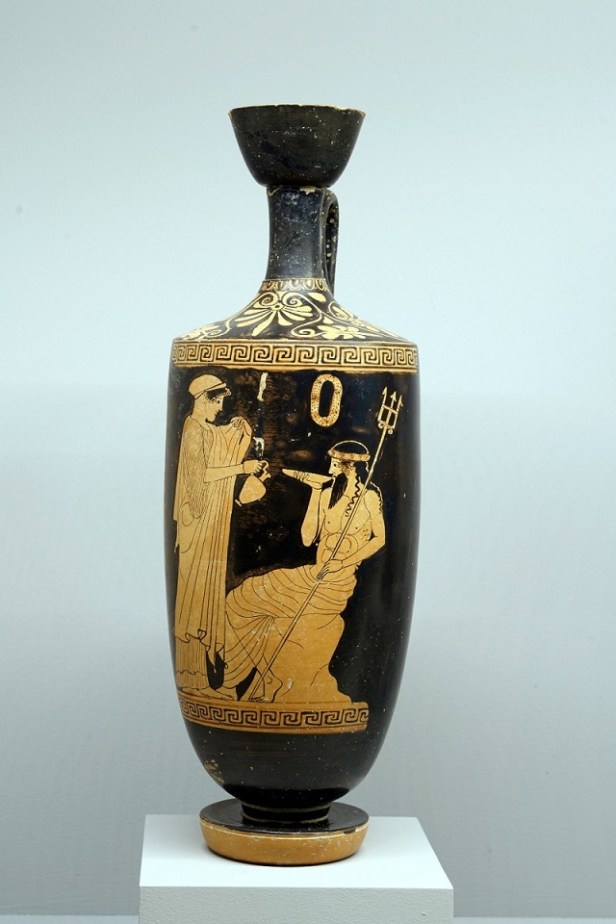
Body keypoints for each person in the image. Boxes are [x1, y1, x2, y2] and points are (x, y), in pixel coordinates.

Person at [220, 440, 386, 704]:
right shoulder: (329, 494)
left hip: (337, 581)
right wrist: (316, 492)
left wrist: (345, 561)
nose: (329, 467)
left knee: (274, 614)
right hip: (315, 574)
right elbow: (308, 539)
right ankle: (239, 678)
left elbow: (380, 539)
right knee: (244, 596)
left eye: (334, 462)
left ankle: (270, 682)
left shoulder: (369, 497)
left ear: (349, 466)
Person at [173, 374, 267, 692]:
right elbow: (201, 476)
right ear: (204, 399)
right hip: (197, 524)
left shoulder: (207, 429)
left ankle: (210, 653)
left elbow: (223, 441)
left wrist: (240, 430)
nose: (221, 408)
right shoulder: (192, 430)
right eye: (218, 402)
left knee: (209, 588)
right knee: (196, 590)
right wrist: (242, 469)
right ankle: (195, 666)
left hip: (211, 524)